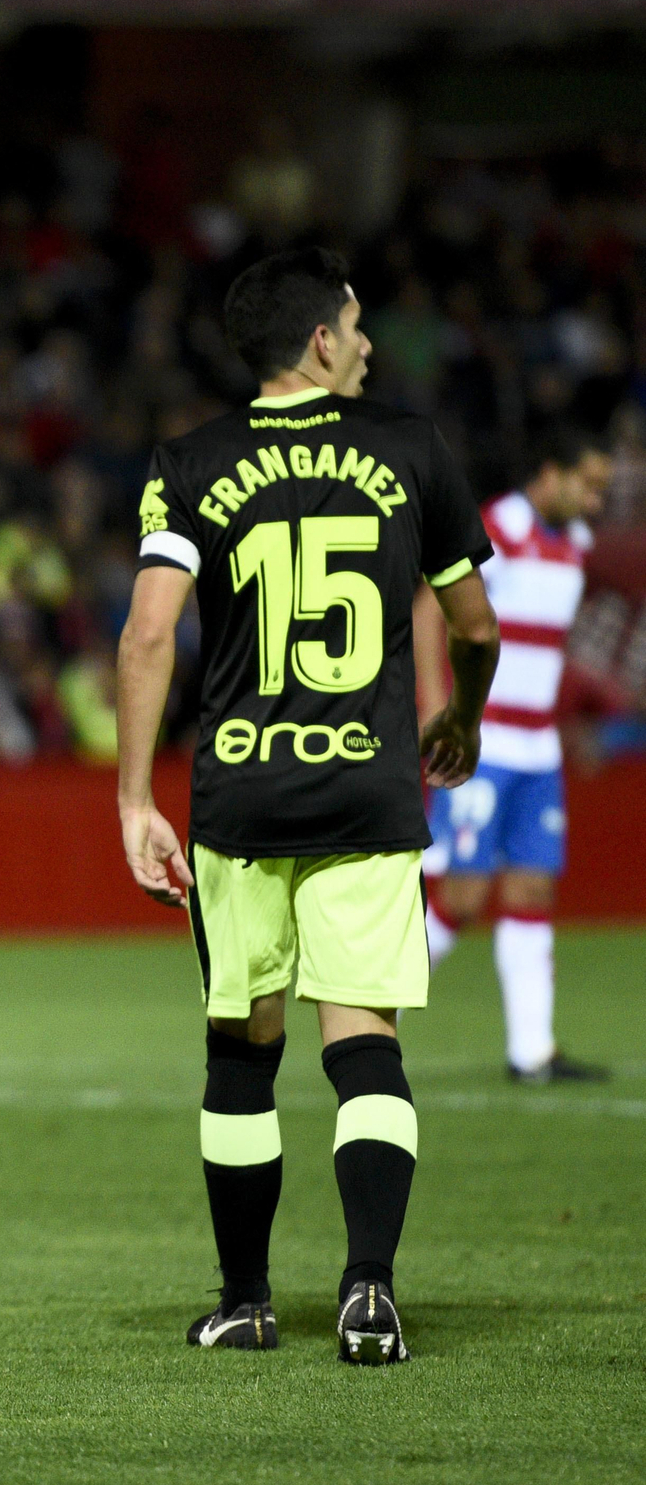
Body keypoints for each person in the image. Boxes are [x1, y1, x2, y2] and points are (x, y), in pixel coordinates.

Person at [115, 247, 499, 1363]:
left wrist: (134, 795)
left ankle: (245, 1300)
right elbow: (473, 625)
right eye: (357, 322)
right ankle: (369, 1290)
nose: (369, 342)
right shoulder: (413, 449)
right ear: (322, 341)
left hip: (239, 795)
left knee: (241, 1050)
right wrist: (458, 714)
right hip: (369, 791)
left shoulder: (187, 462)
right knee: (364, 1045)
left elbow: (148, 632)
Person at [414, 425, 613, 1083]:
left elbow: (543, 651)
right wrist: (434, 707)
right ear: (548, 473)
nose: (592, 501)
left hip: (537, 750)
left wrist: (569, 722)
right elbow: (427, 608)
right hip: (486, 741)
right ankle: (366, 1015)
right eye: (586, 485)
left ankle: (533, 1053)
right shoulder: (498, 525)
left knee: (531, 888)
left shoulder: (574, 545)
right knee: (463, 893)